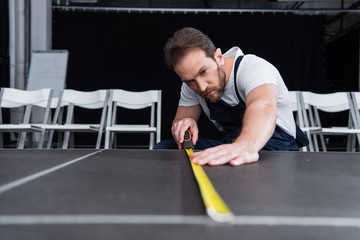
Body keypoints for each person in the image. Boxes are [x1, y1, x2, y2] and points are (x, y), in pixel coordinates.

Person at [154, 27, 308, 166]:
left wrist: (245, 145)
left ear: (219, 57)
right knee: (166, 149)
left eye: (203, 72)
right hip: (234, 145)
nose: (201, 87)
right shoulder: (190, 84)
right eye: (190, 81)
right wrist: (185, 122)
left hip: (276, 150)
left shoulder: (253, 68)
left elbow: (263, 105)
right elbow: (181, 122)